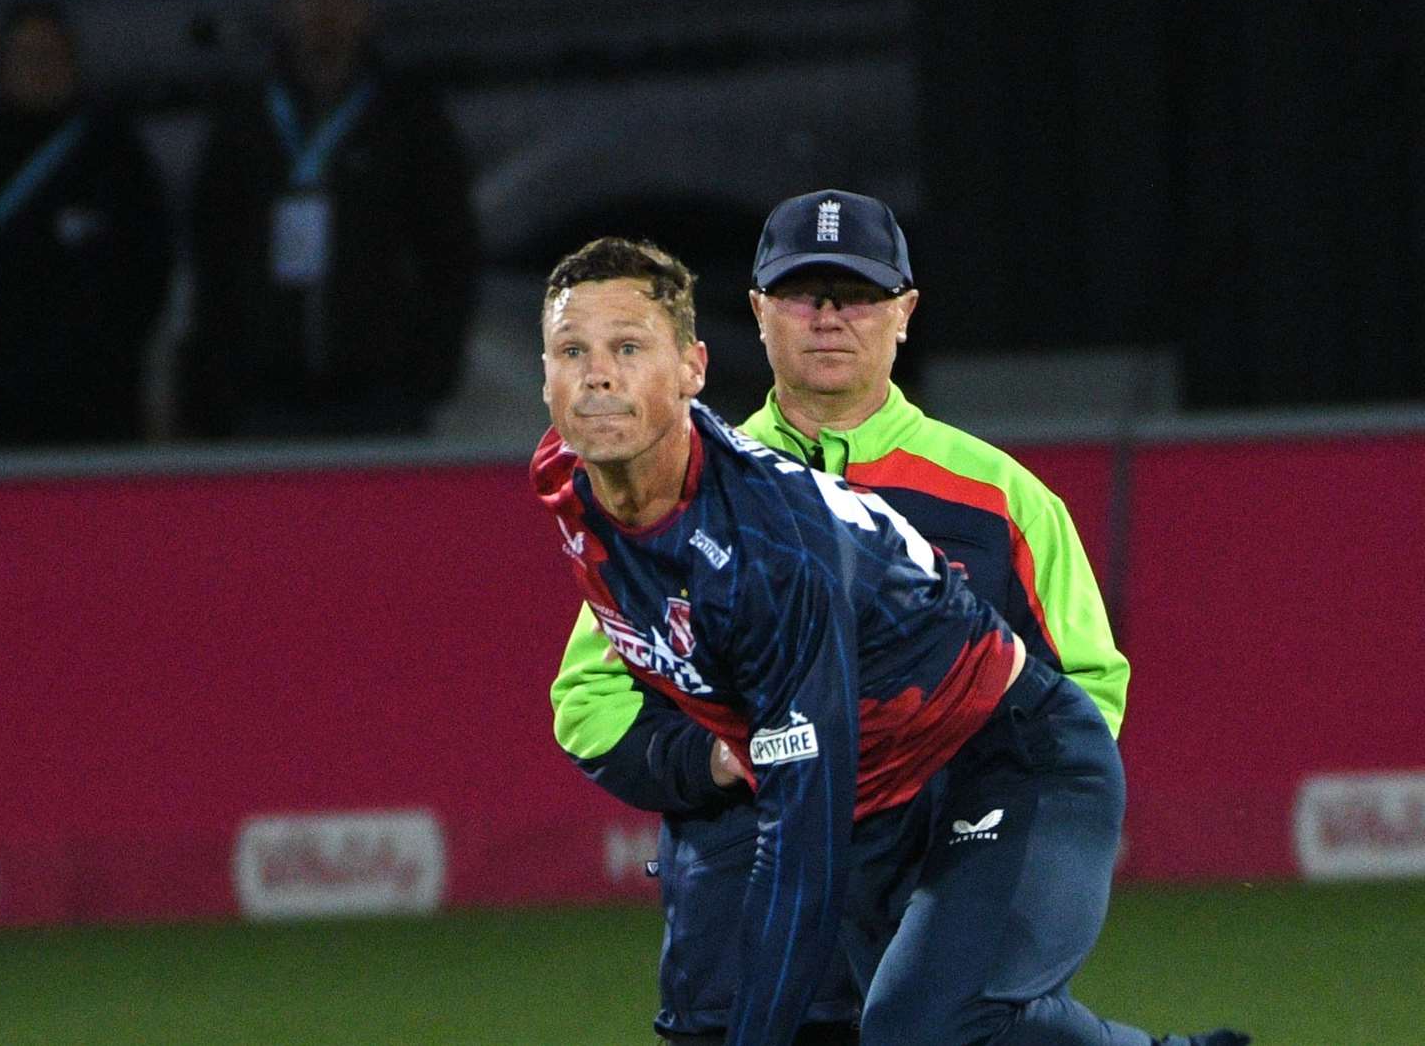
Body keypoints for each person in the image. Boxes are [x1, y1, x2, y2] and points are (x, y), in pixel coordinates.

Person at [530, 236, 1247, 1046]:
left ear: (693, 370)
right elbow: (605, 695)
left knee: (920, 1030)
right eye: (572, 350)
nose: (597, 375)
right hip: (868, 797)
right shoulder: (573, 475)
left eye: (628, 348)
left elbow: (802, 843)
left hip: (1007, 752)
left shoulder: (771, 552)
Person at [175, 0, 479, 438]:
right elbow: (212, 253)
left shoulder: (407, 117)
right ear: (283, 10)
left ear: (365, 12)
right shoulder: (244, 119)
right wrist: (218, 372)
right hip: (264, 390)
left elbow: (451, 250)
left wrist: (430, 368)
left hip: (381, 391)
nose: (324, 14)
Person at [0, 0, 175, 449]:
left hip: (98, 405)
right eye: (26, 56)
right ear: (1, 66)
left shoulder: (114, 152)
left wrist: (109, 353)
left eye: (50, 55)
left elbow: (149, 263)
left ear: (72, 63)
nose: (39, 68)